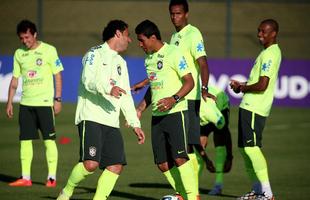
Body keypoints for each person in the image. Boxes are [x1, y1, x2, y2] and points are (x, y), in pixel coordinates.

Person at [56, 20, 145, 200]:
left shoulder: (121, 62)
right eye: (127, 35)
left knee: (116, 166)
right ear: (118, 33)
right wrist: (108, 88)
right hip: (91, 116)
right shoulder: (94, 54)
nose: (130, 40)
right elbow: (87, 80)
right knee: (90, 164)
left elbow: (126, 95)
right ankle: (66, 192)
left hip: (111, 121)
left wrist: (135, 124)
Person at [135, 20, 199, 200]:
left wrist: (174, 99)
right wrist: (141, 108)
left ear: (153, 37)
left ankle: (193, 197)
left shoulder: (174, 53)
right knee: (162, 164)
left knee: (180, 158)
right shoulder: (149, 60)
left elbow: (189, 81)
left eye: (142, 40)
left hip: (176, 113)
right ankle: (183, 195)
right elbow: (153, 87)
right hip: (157, 117)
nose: (140, 45)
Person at [6, 19, 63, 187]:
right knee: (24, 140)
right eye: (22, 38)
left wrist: (58, 99)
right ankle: (25, 177)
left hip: (45, 104)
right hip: (26, 104)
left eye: (27, 37)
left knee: (49, 141)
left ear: (35, 34)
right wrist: (9, 102)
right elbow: (15, 80)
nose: (25, 41)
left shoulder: (49, 50)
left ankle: (51, 178)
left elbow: (58, 75)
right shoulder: (19, 54)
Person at [230, 19, 281, 200]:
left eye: (263, 32)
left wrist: (243, 88)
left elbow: (262, 85)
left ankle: (267, 194)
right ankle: (257, 191)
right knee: (245, 150)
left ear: (273, 33)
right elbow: (256, 83)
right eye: (258, 31)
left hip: (255, 108)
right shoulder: (266, 52)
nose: (259, 34)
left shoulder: (270, 54)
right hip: (248, 106)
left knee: (251, 149)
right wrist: (242, 86)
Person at [199, 86, 233, 195]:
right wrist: (206, 160)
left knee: (219, 141)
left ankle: (218, 185)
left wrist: (229, 157)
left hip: (219, 103)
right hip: (203, 110)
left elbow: (225, 132)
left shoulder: (212, 113)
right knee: (199, 147)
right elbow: (195, 143)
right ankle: (192, 186)